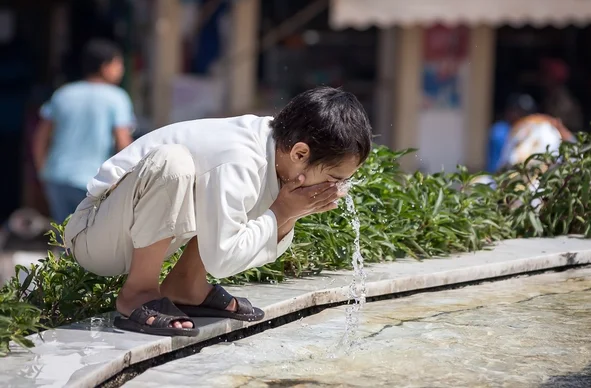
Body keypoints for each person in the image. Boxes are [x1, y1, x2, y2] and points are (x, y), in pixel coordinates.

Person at [63, 87, 372, 337]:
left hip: (135, 232)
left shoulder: (273, 152)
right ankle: (138, 292)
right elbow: (223, 259)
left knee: (245, 189)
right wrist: (280, 213)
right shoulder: (239, 159)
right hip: (95, 237)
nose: (338, 188)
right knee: (175, 163)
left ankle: (187, 285)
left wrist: (286, 213)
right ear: (300, 152)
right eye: (334, 179)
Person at [33, 39, 134, 223]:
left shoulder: (63, 94)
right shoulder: (117, 98)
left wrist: (42, 170)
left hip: (58, 176)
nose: (121, 69)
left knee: (63, 237)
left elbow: (40, 136)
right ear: (105, 66)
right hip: (95, 179)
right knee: (89, 241)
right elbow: (123, 143)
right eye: (118, 64)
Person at [487, 94, 537, 173]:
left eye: (524, 114)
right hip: (497, 175)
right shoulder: (499, 130)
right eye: (518, 112)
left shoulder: (526, 130)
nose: (521, 117)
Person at [540, 58, 583, 133]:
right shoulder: (551, 95)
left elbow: (557, 123)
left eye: (546, 75)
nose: (543, 79)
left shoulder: (562, 99)